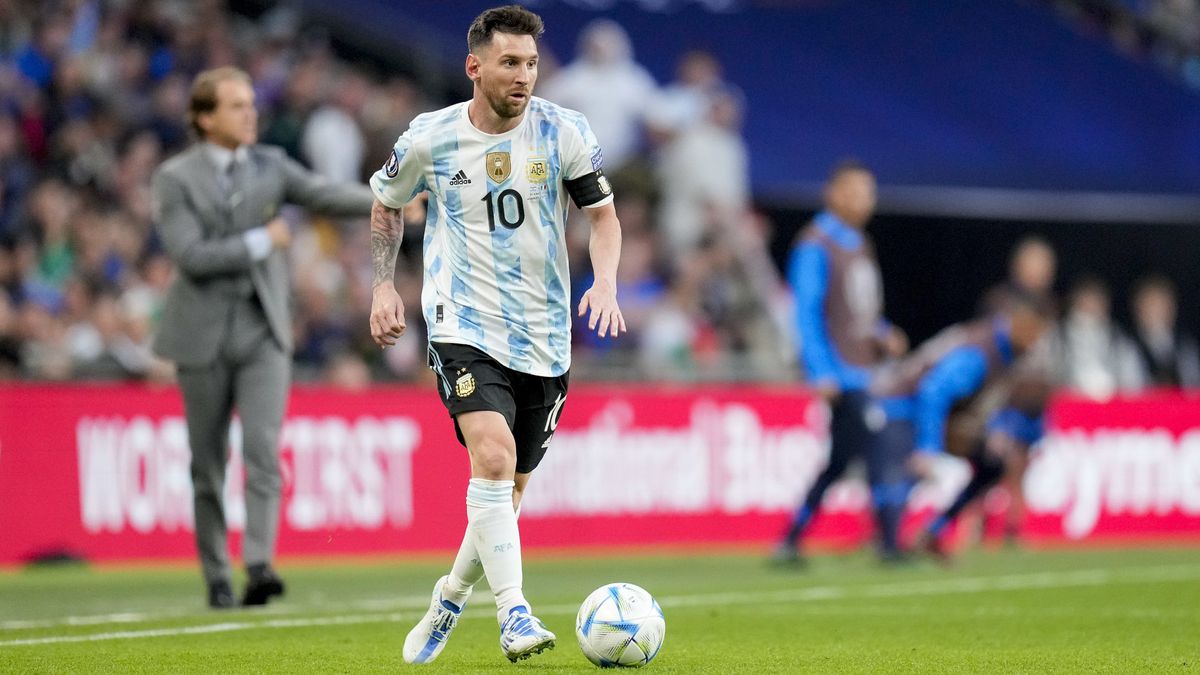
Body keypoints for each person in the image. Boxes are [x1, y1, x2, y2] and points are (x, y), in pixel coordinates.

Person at [366, 6, 624, 665]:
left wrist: (606, 283)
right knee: (492, 455)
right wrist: (382, 284)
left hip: (543, 335)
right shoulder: (430, 137)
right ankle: (515, 614)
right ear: (475, 66)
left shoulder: (563, 130)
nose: (524, 75)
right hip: (462, 324)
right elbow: (387, 204)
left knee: (506, 494)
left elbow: (602, 216)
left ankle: (450, 595)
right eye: (511, 62)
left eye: (532, 63)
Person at [151, 66, 374, 609]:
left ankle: (258, 565)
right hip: (200, 335)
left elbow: (325, 194)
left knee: (263, 450)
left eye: (250, 103)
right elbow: (190, 256)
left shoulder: (271, 165)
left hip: (262, 332)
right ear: (204, 118)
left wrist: (388, 199)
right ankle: (217, 576)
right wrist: (261, 241)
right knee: (207, 464)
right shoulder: (175, 179)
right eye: (235, 106)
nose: (250, 113)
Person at [773, 161, 908, 564]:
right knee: (881, 446)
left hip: (866, 369)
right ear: (834, 194)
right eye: (858, 191)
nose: (867, 201)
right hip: (843, 375)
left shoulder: (858, 243)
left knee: (840, 463)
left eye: (870, 192)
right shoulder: (815, 244)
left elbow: (859, 311)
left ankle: (790, 539)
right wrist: (821, 372)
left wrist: (883, 333)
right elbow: (806, 312)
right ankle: (889, 543)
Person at [868, 294, 1052, 559]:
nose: (1036, 341)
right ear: (1018, 322)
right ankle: (890, 543)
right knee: (908, 471)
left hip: (939, 413)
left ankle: (932, 531)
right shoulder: (980, 350)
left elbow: (977, 399)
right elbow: (934, 391)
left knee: (991, 463)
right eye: (1035, 332)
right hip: (900, 407)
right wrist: (928, 447)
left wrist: (988, 429)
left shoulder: (1005, 350)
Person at [1047, 276, 1146, 399]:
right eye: (1086, 301)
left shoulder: (1116, 337)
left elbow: (1133, 380)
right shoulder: (1059, 336)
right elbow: (1048, 373)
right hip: (1070, 404)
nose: (1091, 306)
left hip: (1111, 407)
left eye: (1096, 301)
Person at [1130, 274, 1200, 389]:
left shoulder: (1186, 346)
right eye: (1151, 305)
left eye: (1161, 305)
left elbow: (1194, 385)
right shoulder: (1126, 345)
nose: (1156, 311)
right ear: (1138, 308)